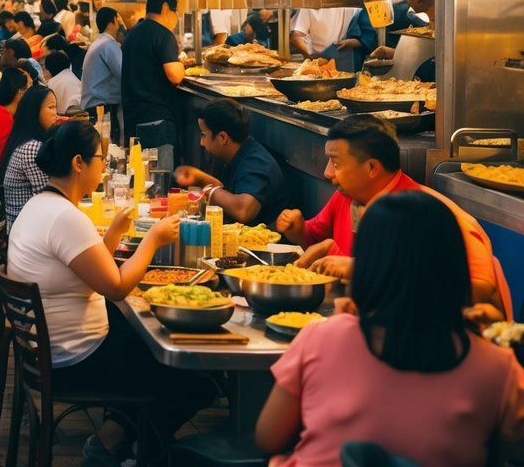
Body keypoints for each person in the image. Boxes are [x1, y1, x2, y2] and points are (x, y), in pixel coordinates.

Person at [256, 191, 524, 467]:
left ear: (366, 265)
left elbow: (268, 437)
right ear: (454, 265)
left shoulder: (322, 337)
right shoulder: (499, 367)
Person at [6, 122, 210, 462]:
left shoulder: (42, 204)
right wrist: (153, 239)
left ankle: (129, 438)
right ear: (78, 163)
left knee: (143, 340)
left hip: (52, 349)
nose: (103, 166)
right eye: (100, 158)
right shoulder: (65, 217)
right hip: (75, 357)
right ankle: (114, 442)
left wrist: (113, 235)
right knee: (194, 380)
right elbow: (116, 287)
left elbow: (85, 267)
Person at [277, 115, 511, 320]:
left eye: (336, 163)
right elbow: (316, 236)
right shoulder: (349, 196)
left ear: (371, 168)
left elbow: (479, 289)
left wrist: (366, 270)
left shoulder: (436, 214)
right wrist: (303, 234)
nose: (327, 173)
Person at [174, 99, 286, 227]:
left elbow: (243, 210)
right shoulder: (229, 156)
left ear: (222, 137)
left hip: (263, 244)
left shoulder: (256, 163)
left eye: (203, 135)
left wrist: (203, 183)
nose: (201, 143)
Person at [120, 0, 184, 155]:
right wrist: (182, 66)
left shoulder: (132, 34)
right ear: (165, 8)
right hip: (156, 120)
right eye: (175, 10)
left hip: (133, 118)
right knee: (160, 174)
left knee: (140, 173)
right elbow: (175, 75)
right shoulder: (162, 34)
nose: (176, 16)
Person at [0, 86, 58, 225]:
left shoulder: (26, 141)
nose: (56, 114)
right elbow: (48, 196)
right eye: (51, 107)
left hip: (26, 224)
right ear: (34, 111)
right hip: (27, 229)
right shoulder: (32, 148)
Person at [81, 7, 125, 144]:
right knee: (108, 148)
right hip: (101, 108)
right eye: (118, 19)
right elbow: (124, 74)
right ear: (114, 20)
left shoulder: (99, 42)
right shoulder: (109, 45)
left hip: (94, 106)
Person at [290, 7, 362, 71]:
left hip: (321, 64)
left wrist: (310, 57)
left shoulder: (310, 6)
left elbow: (297, 37)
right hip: (346, 62)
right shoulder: (353, 5)